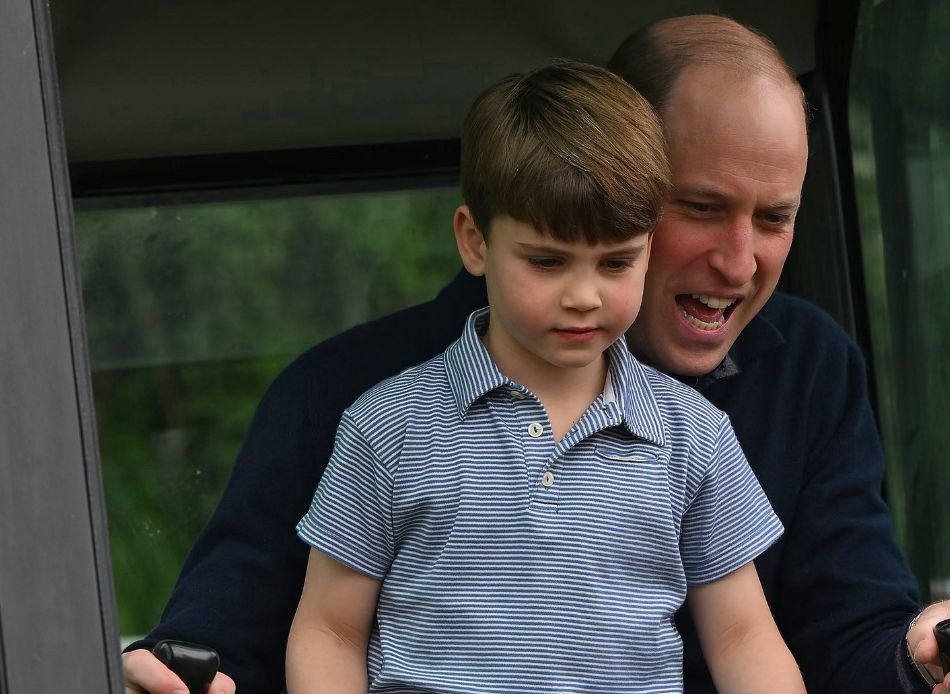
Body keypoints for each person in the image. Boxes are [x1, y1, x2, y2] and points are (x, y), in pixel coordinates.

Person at [123, 14, 950, 694]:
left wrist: (923, 655)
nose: (738, 259)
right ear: (614, 172)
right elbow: (242, 639)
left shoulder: (793, 379)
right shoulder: (360, 402)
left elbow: (822, 635)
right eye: (705, 206)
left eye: (775, 219)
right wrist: (169, 673)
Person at [284, 60, 804, 694]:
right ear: (474, 241)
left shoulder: (694, 437)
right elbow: (329, 631)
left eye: (616, 263)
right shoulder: (388, 426)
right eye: (548, 261)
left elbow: (744, 637)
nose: (583, 295)